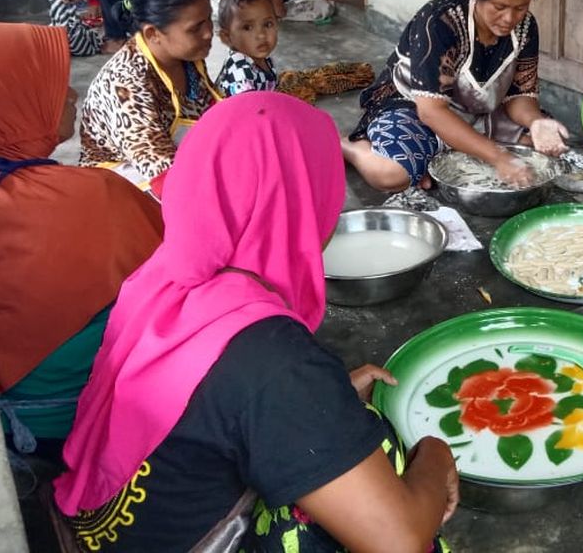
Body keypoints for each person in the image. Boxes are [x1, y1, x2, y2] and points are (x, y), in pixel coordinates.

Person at [55, 93, 458, 552]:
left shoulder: (163, 280)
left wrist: (320, 404)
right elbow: (398, 541)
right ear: (302, 198)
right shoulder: (273, 362)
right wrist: (434, 454)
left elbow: (215, 406)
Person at [0, 23, 163, 449]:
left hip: (2, 421)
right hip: (91, 418)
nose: (74, 95)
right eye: (52, 86)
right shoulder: (91, 198)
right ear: (10, 100)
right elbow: (184, 261)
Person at [344, 0, 569, 192]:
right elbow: (431, 112)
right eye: (499, 7)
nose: (509, 19)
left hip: (482, 109)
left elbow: (519, 96)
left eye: (520, 8)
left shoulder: (526, 26)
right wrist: (498, 157)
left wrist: (536, 121)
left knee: (545, 148)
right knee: (392, 175)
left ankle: (435, 156)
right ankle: (351, 147)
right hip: (415, 106)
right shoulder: (439, 21)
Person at [79, 0, 222, 193]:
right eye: (195, 28)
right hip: (118, 181)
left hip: (170, 156)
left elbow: (211, 113)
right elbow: (165, 179)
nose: (208, 33)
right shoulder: (126, 84)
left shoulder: (188, 56)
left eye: (208, 20)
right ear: (153, 34)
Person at [216, 0, 279, 97]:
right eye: (247, 28)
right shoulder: (240, 71)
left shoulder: (265, 60)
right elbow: (246, 109)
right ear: (226, 37)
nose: (261, 35)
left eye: (268, 24)